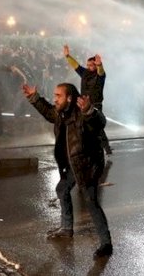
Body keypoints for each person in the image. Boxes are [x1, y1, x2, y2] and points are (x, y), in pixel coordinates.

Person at [22, 82, 113, 259]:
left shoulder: (82, 114)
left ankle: (106, 244)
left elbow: (100, 122)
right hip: (74, 163)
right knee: (62, 189)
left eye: (58, 96)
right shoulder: (60, 113)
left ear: (69, 98)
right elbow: (48, 112)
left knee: (90, 201)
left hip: (88, 165)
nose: (55, 99)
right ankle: (66, 229)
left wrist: (89, 111)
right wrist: (35, 98)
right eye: (54, 95)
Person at [63, 45, 112, 155]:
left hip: (95, 105)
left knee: (97, 127)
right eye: (88, 65)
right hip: (84, 105)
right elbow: (75, 66)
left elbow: (101, 71)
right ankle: (85, 147)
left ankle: (107, 148)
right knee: (82, 125)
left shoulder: (100, 76)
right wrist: (67, 56)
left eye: (91, 65)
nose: (89, 66)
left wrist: (100, 65)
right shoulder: (84, 73)